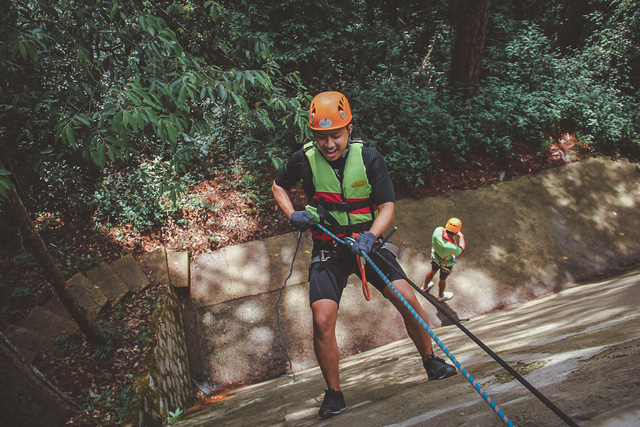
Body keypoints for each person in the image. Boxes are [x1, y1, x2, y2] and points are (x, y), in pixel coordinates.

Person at [272, 91, 457, 420]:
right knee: (322, 319)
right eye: (321, 136)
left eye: (336, 135)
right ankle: (334, 393)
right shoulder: (302, 159)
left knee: (407, 299)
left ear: (349, 130)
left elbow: (387, 206)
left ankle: (431, 361)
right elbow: (277, 185)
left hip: (366, 244)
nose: (329, 143)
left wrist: (371, 235)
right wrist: (291, 214)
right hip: (329, 249)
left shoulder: (370, 158)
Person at [422, 218, 466, 302]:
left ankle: (424, 287)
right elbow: (461, 250)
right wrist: (461, 236)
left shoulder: (437, 230)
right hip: (446, 264)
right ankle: (441, 296)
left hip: (435, 257)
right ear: (456, 232)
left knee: (432, 271)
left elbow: (444, 232)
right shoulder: (451, 247)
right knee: (442, 279)